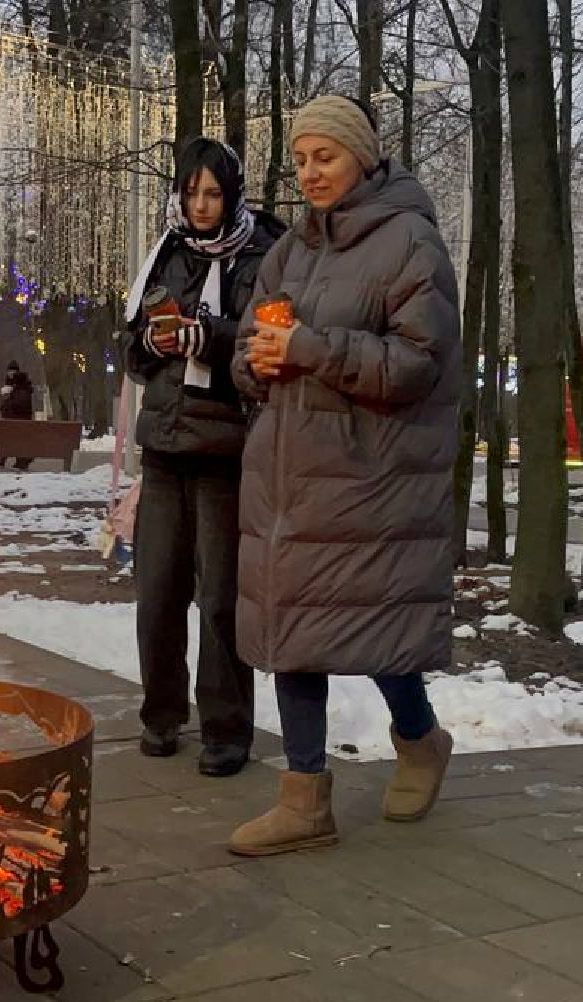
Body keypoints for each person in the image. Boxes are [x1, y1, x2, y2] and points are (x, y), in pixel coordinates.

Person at [227, 96, 462, 854]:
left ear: (361, 155)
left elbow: (420, 365)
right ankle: (304, 801)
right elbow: (252, 347)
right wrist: (256, 362)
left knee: (374, 634)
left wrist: (311, 350)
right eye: (299, 159)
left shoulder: (409, 243)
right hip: (290, 478)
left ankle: (420, 739)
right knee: (291, 632)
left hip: (370, 477)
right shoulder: (290, 251)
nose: (310, 172)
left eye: (324, 156)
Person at [121, 136, 285, 777]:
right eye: (191, 192)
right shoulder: (166, 252)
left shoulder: (265, 253)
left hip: (225, 451)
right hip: (162, 449)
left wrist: (209, 338)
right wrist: (159, 341)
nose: (201, 204)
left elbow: (265, 342)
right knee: (156, 593)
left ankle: (226, 731)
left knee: (220, 600)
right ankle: (161, 717)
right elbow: (133, 352)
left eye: (213, 192)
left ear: (233, 192)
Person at [0, 362, 36, 470]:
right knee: (9, 432)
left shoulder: (20, 389)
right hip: (19, 422)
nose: (10, 373)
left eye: (12, 371)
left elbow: (17, 406)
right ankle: (11, 459)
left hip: (19, 422)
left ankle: (16, 459)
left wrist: (5, 404)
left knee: (10, 433)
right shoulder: (20, 388)